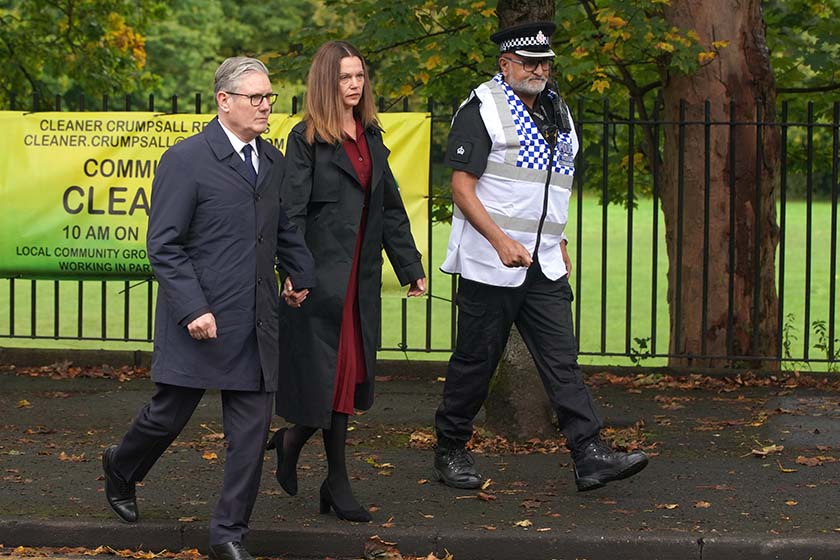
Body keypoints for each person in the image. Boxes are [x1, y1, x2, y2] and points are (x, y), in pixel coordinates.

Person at [101, 57, 315, 560]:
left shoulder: (273, 160)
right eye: (256, 98)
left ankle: (228, 535)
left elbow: (282, 228)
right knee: (166, 417)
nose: (266, 107)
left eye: (269, 98)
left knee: (249, 434)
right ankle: (120, 467)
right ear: (224, 100)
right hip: (200, 321)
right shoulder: (186, 159)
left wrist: (299, 272)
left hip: (256, 320)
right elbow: (165, 245)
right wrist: (193, 307)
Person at [432, 22, 649, 492]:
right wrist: (499, 241)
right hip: (492, 262)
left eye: (545, 63)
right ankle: (451, 447)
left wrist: (560, 238)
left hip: (543, 260)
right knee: (476, 360)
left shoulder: (557, 109)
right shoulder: (482, 108)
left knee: (561, 359)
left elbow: (554, 185)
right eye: (529, 63)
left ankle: (589, 453)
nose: (539, 70)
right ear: (505, 64)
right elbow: (461, 189)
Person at [267, 40, 426, 523]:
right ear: (326, 82)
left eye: (359, 76)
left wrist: (410, 266)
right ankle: (336, 482)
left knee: (347, 380)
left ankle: (291, 441)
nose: (354, 85)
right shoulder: (306, 139)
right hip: (319, 281)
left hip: (360, 283)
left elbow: (391, 209)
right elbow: (289, 213)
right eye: (344, 78)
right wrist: (293, 272)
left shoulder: (372, 135)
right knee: (331, 379)